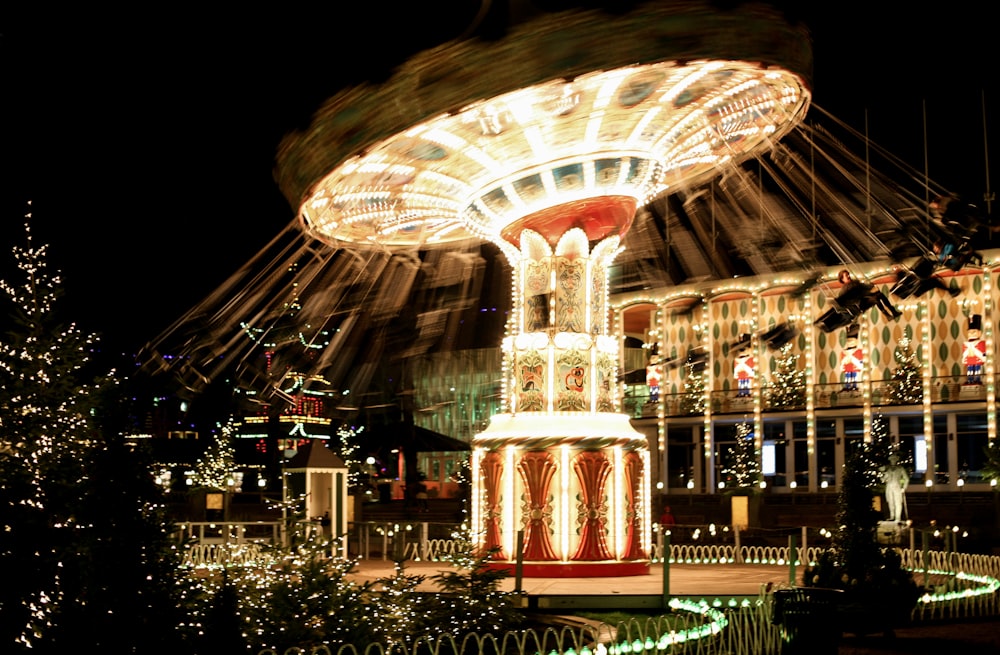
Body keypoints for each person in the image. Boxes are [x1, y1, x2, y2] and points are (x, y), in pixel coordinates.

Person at [836, 269, 902, 321]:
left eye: (848, 274)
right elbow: (843, 302)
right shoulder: (844, 290)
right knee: (875, 299)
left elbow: (864, 286)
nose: (848, 276)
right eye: (846, 275)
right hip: (859, 304)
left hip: (865, 299)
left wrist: (871, 285)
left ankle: (893, 311)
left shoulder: (855, 283)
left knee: (880, 294)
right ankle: (887, 315)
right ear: (842, 279)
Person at [882, 454, 909, 523]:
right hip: (889, 487)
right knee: (890, 502)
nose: (893, 461)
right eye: (891, 459)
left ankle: (898, 517)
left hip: (897, 487)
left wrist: (903, 488)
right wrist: (883, 477)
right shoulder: (888, 469)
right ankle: (892, 516)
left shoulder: (900, 468)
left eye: (894, 459)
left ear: (896, 460)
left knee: (898, 502)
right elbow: (884, 479)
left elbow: (906, 479)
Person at [964, 314, 987, 385]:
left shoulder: (981, 343)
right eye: (969, 332)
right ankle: (970, 380)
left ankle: (977, 379)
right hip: (970, 360)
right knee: (969, 370)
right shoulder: (966, 344)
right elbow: (965, 353)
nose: (971, 334)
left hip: (977, 360)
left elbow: (983, 352)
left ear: (979, 333)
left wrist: (984, 357)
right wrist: (964, 358)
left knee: (977, 370)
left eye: (974, 332)